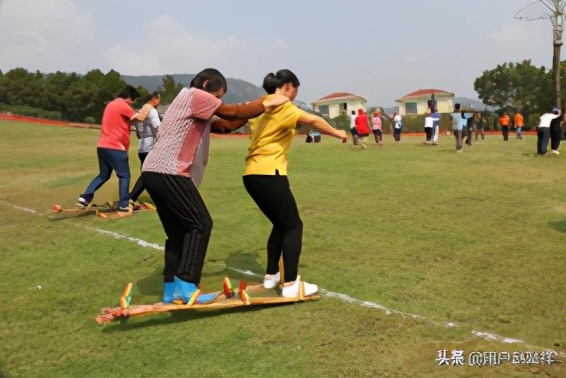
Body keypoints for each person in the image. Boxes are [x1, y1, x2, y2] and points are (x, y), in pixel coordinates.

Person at [140, 68, 289, 304]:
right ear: (206, 83)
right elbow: (233, 112)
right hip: (169, 171)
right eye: (217, 96)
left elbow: (227, 125)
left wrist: (254, 112)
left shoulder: (190, 103)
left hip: (153, 171)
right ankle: (186, 285)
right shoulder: (194, 96)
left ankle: (171, 288)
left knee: (178, 233)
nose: (217, 101)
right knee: (201, 224)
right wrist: (269, 100)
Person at [243, 69, 347, 298]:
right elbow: (313, 119)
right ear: (288, 86)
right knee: (293, 226)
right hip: (270, 175)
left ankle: (271, 277)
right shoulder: (283, 106)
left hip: (251, 175)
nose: (293, 96)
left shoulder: (261, 108)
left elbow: (281, 127)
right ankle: (291, 284)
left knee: (280, 224)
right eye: (295, 91)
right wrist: (337, 132)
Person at [77, 85, 149, 212]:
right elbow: (140, 118)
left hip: (102, 146)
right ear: (129, 97)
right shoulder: (122, 105)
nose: (132, 103)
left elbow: (128, 121)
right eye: (133, 100)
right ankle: (123, 204)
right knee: (124, 176)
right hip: (116, 148)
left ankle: (85, 197)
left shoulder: (111, 105)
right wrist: (148, 108)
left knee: (103, 175)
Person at [129, 92, 161, 207]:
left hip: (141, 148)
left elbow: (137, 132)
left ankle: (132, 197)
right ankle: (131, 197)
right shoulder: (152, 111)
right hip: (150, 146)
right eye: (159, 99)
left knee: (149, 174)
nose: (159, 102)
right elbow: (158, 127)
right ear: (154, 99)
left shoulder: (140, 112)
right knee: (149, 175)